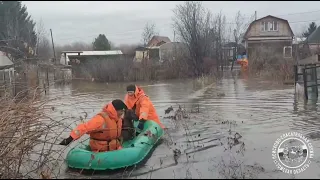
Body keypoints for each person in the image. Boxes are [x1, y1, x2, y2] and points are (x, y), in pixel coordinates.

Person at [59, 99, 128, 152]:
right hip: (100, 150)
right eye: (121, 111)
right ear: (115, 110)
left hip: (113, 147)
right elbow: (84, 127)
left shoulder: (118, 119)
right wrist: (70, 139)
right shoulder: (100, 119)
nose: (122, 113)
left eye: (123, 111)